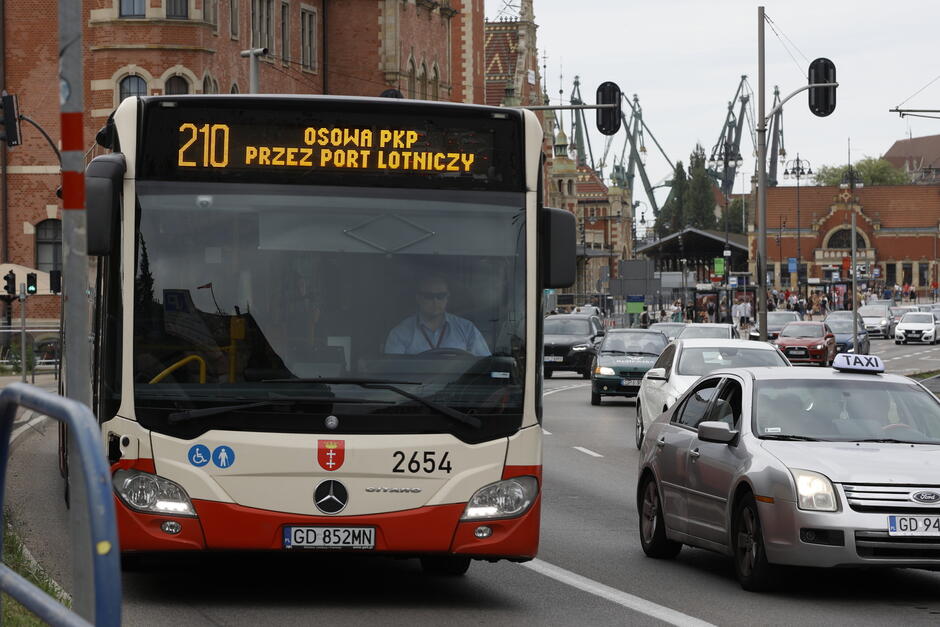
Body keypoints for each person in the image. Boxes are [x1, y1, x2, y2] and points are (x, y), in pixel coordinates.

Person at [385, 274, 490, 356]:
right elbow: (392, 370)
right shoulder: (400, 333)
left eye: (440, 296)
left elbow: (485, 365)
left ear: (447, 297)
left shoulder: (467, 329)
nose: (435, 301)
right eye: (428, 296)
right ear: (418, 298)